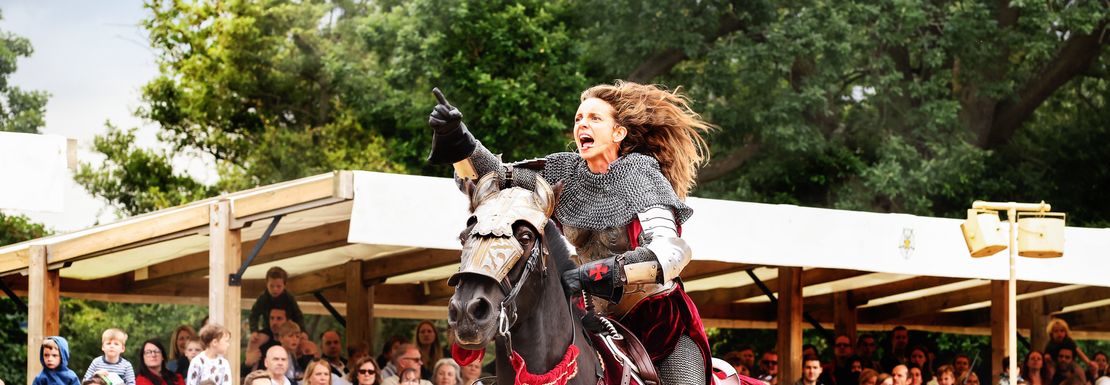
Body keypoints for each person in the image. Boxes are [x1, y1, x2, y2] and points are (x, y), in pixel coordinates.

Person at [426, 81, 715, 384]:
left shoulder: (640, 174)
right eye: (579, 118)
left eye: (594, 118)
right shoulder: (564, 170)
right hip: (592, 319)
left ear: (618, 132)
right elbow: (498, 178)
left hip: (657, 323)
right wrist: (460, 141)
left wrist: (601, 272)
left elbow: (670, 253)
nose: (582, 125)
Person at [249, 267, 305, 332]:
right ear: (266, 284)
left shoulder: (289, 298)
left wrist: (302, 331)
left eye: (278, 286)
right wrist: (254, 331)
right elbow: (253, 315)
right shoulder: (263, 298)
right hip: (269, 330)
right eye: (271, 286)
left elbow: (298, 315)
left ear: (284, 285)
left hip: (286, 330)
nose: (275, 289)